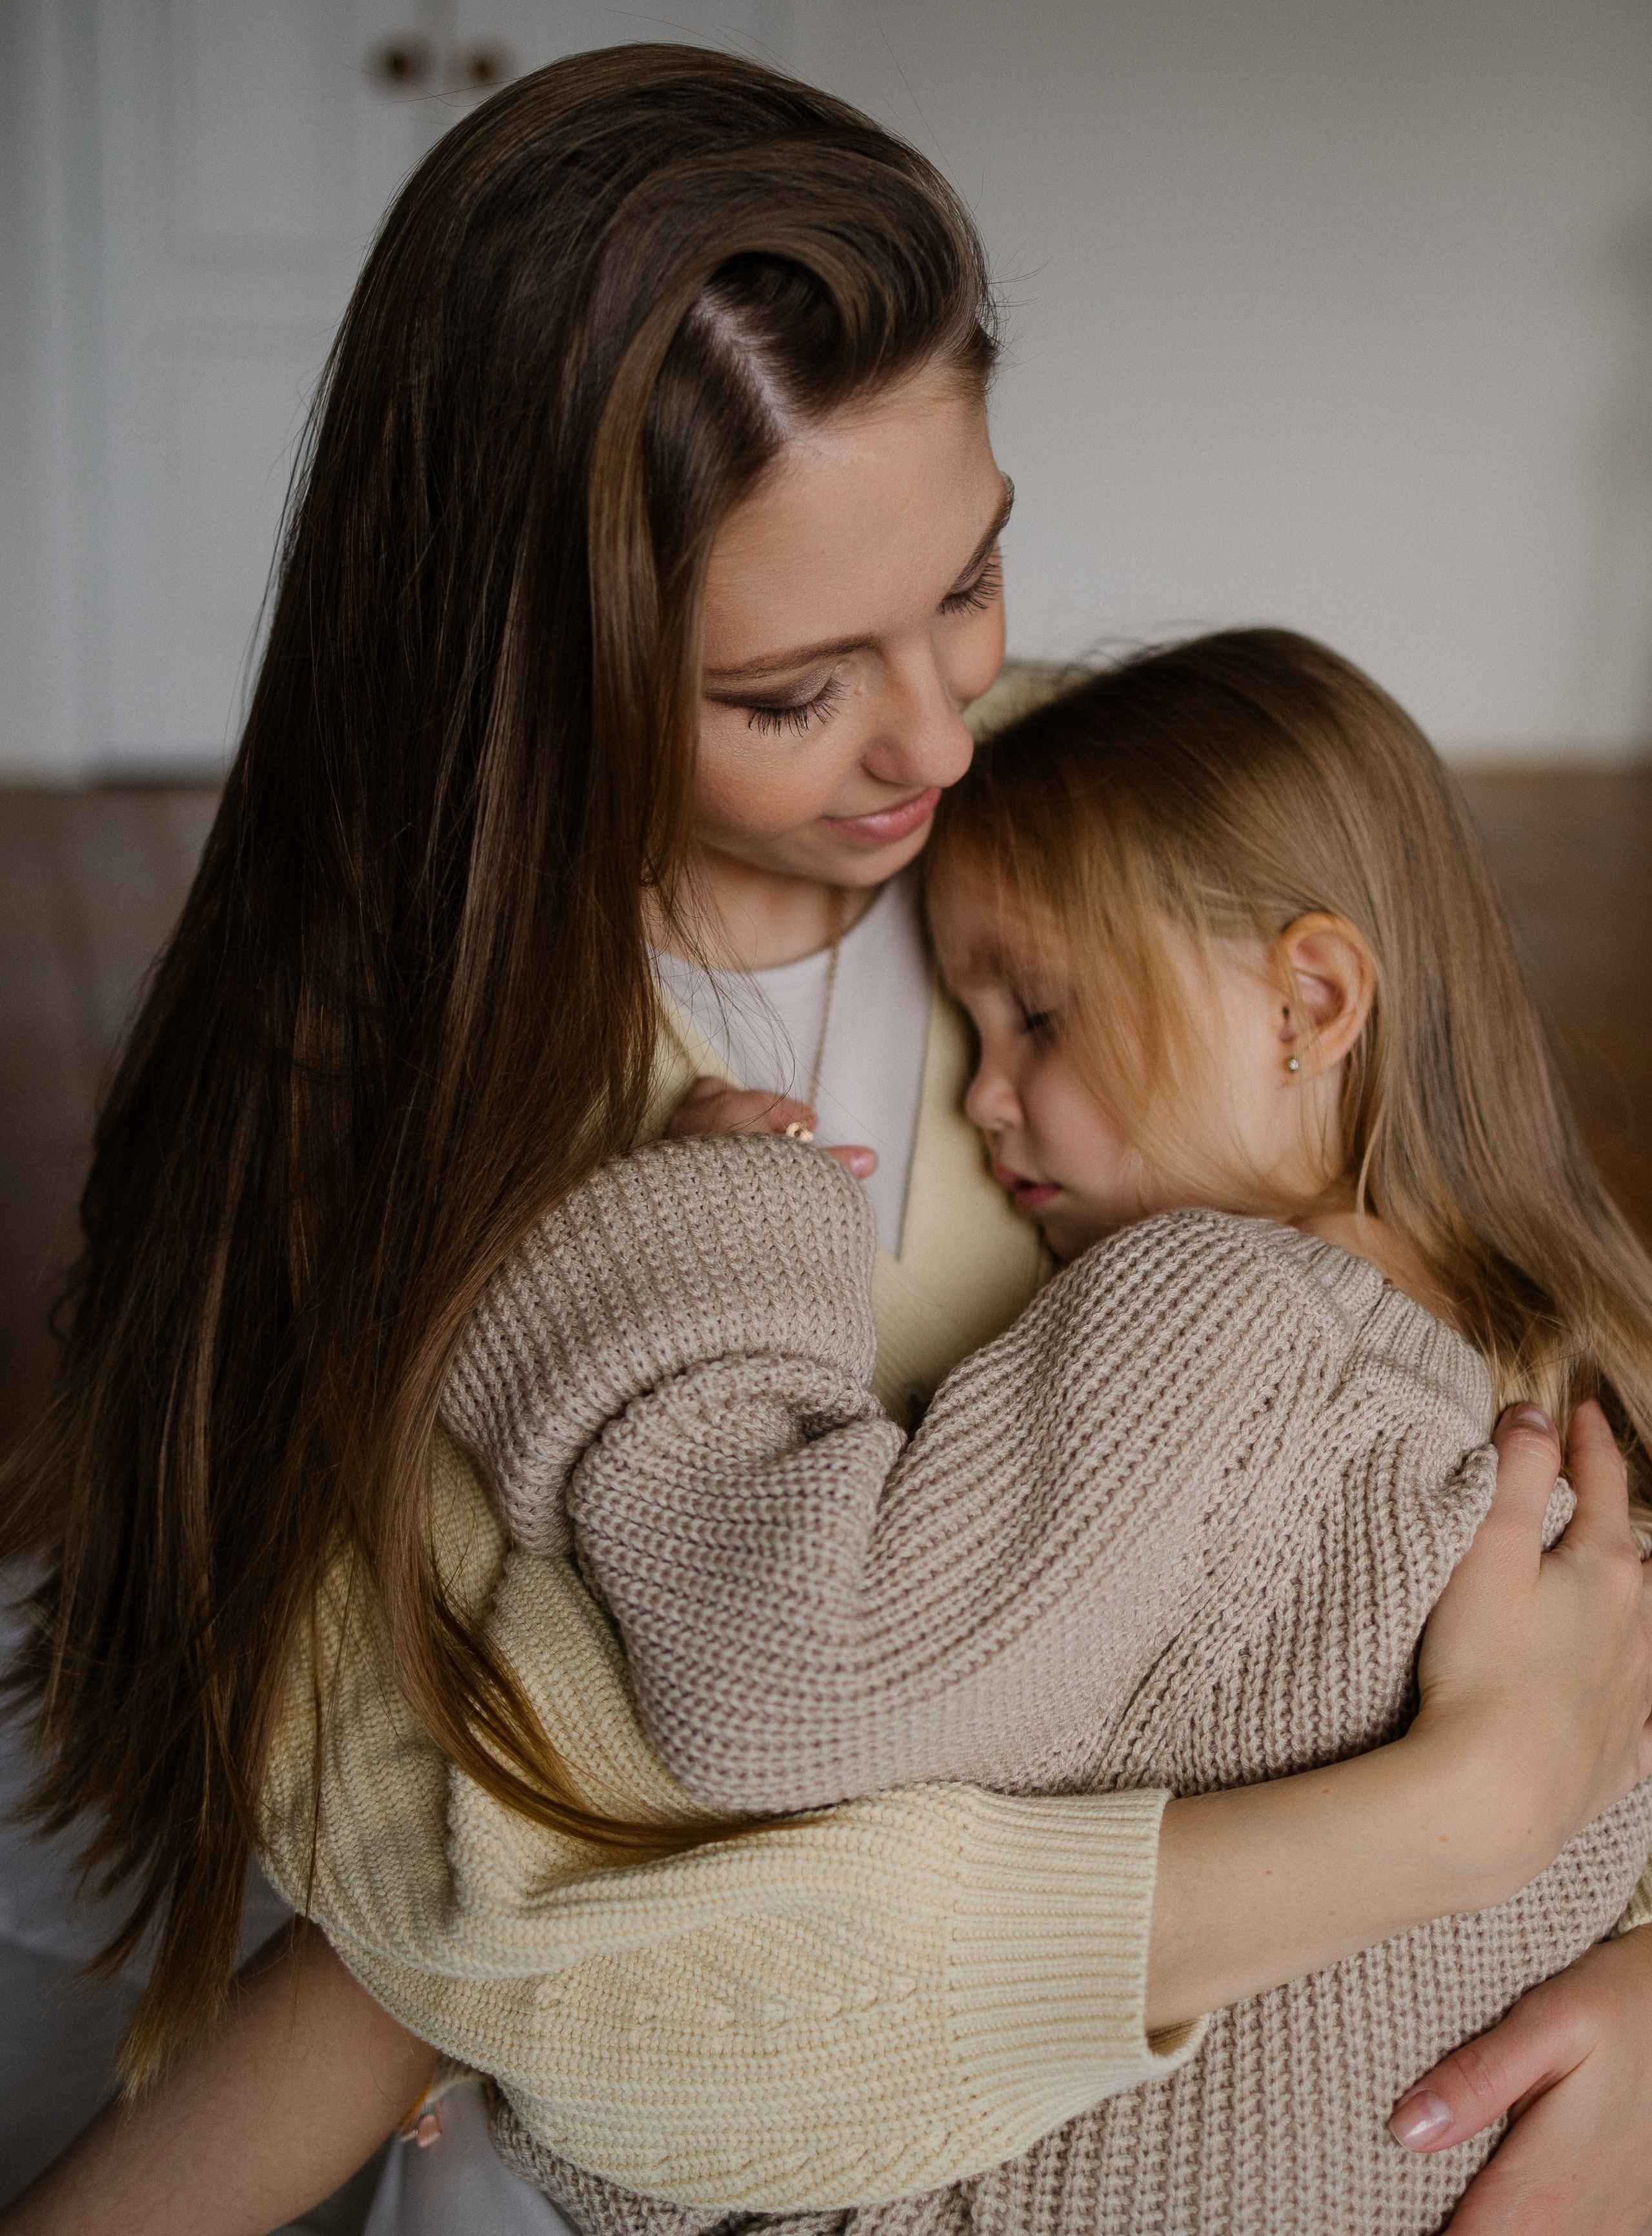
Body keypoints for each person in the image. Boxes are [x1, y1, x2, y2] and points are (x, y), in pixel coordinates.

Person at [5, 48, 1652, 2236]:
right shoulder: (379, 1112)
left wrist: (1632, 1965)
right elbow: (567, 1959)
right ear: (533, 660)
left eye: (972, 580)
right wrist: (1450, 1827)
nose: (939, 741)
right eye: (793, 692)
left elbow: (1517, 1362)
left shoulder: (1113, 842)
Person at [401, 628, 1652, 2232]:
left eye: (1036, 1017)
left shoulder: (1226, 1312)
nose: (980, 1097)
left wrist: (699, 1240)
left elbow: (791, 1669)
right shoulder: (1569, 1416)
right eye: (969, 1028)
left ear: (1308, 1000)